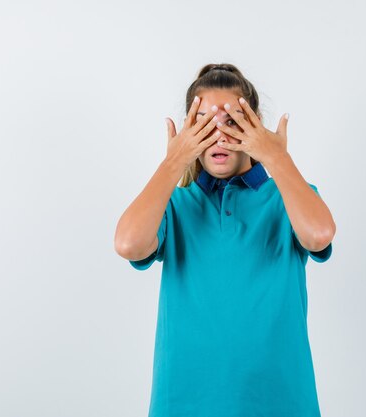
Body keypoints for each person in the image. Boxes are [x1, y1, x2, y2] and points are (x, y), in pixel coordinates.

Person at [114, 63, 336, 417]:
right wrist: (173, 163)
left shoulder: (287, 198)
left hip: (279, 400)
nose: (217, 134)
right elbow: (128, 243)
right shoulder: (175, 203)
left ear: (255, 126)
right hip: (185, 402)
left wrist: (277, 157)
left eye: (232, 121)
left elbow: (319, 234)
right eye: (202, 123)